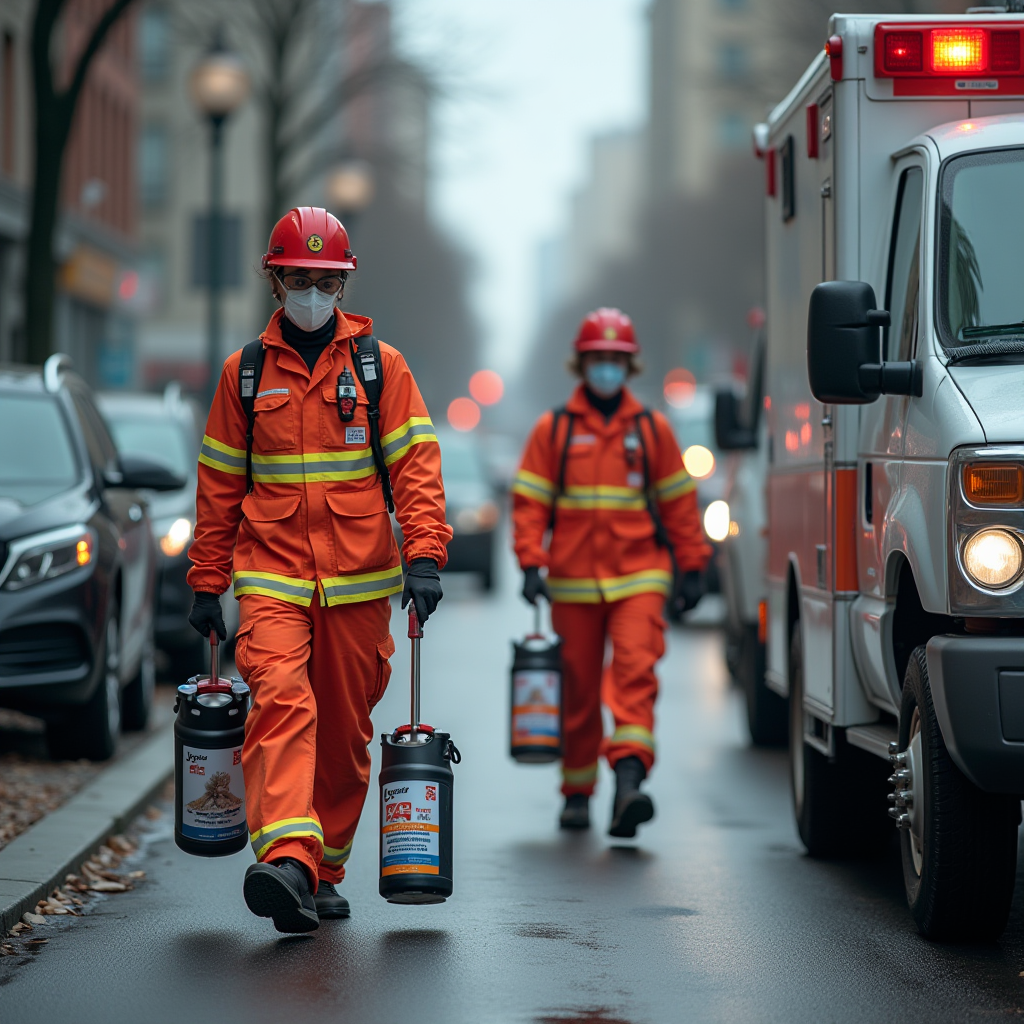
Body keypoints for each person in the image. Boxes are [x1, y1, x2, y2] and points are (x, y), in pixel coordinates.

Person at [186, 207, 451, 933]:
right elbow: (218, 485)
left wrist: (425, 554)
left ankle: (323, 871)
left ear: (343, 284)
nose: (312, 291)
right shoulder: (242, 375)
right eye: (299, 278)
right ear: (275, 281)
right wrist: (208, 579)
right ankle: (290, 859)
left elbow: (416, 470)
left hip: (359, 585)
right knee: (281, 703)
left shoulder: (380, 368)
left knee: (343, 736)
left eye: (325, 279)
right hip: (271, 578)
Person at [512, 307, 711, 837]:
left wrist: (692, 567)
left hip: (640, 577)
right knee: (577, 691)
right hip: (572, 584)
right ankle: (577, 792)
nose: (606, 368)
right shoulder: (552, 430)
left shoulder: (652, 430)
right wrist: (531, 560)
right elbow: (529, 503)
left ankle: (628, 782)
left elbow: (679, 505)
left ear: (630, 366)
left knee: (634, 677)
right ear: (581, 364)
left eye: (615, 359)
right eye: (597, 359)